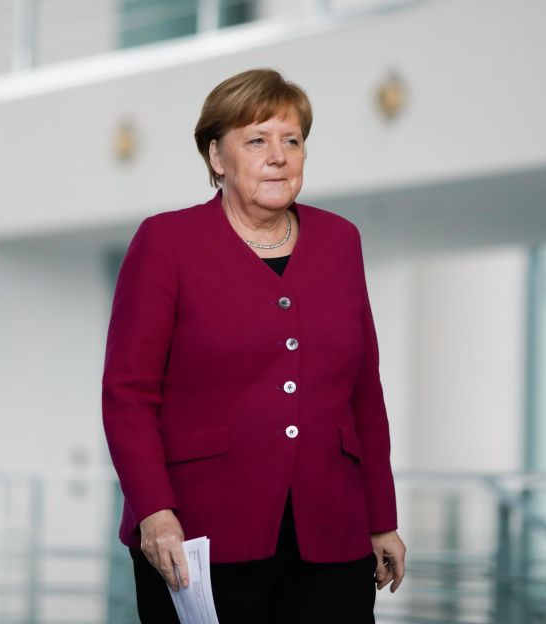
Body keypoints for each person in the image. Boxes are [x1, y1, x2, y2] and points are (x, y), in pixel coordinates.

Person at [102, 68, 406, 623]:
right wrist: (155, 511)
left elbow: (364, 392)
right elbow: (128, 395)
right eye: (257, 140)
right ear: (218, 157)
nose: (279, 155)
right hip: (200, 532)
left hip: (331, 532)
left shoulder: (341, 241)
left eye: (292, 140)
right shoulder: (167, 242)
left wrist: (381, 517)